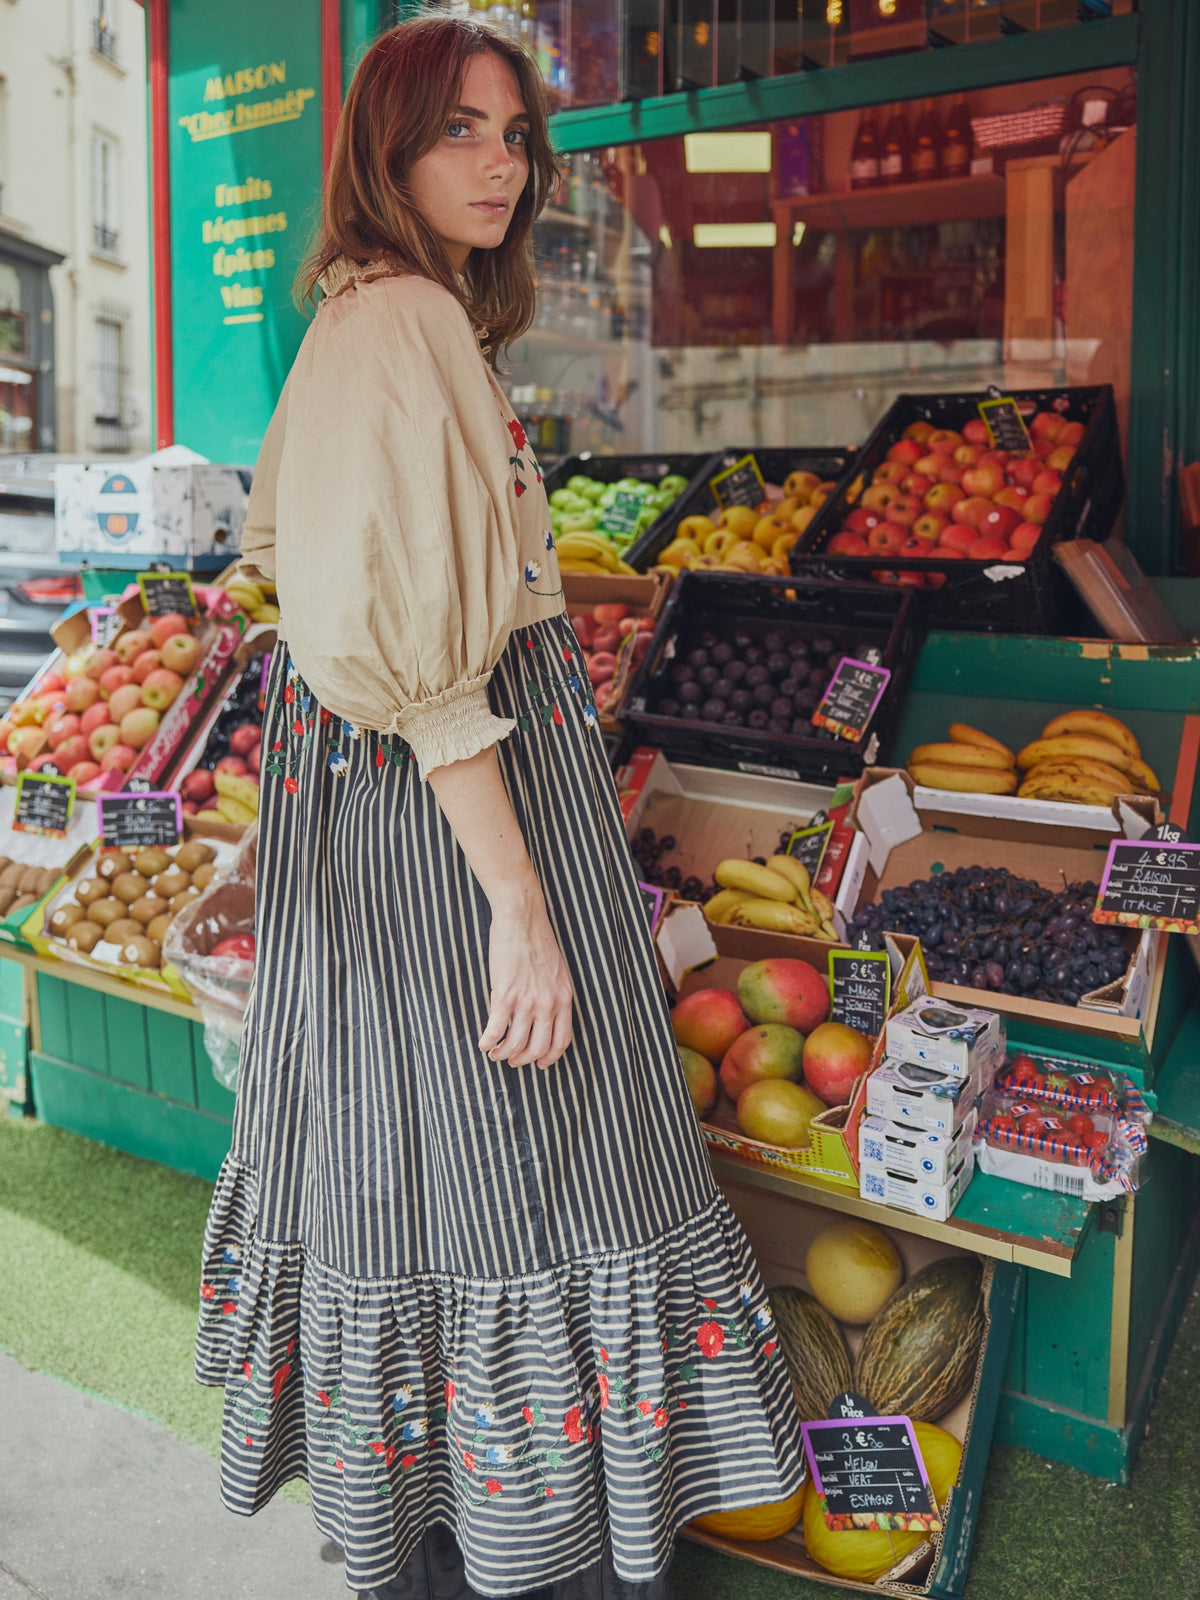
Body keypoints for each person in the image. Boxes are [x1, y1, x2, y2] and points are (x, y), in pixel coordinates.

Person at [194, 14, 804, 1599]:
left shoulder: (382, 320)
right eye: (459, 129)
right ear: (385, 151)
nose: (499, 161)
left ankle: (454, 1532)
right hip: (443, 823)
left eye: (515, 134)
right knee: (530, 1161)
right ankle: (539, 1551)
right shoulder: (400, 323)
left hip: (396, 816)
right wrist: (523, 910)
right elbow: (399, 649)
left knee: (427, 1170)